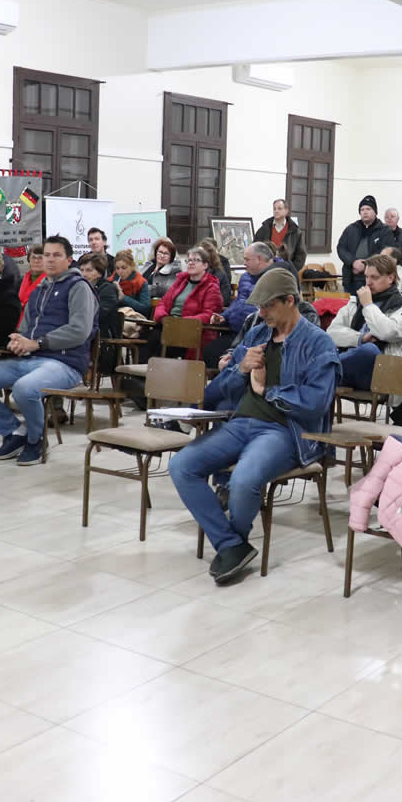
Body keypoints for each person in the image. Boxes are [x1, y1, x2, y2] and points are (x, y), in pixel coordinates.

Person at [169, 267, 340, 585]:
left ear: (290, 301)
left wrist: (267, 391)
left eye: (267, 306)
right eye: (258, 307)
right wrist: (239, 369)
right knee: (181, 465)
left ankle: (233, 543)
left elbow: (316, 403)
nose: (260, 313)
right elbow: (220, 391)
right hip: (242, 422)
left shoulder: (318, 344)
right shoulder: (258, 333)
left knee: (244, 480)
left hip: (286, 430)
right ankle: (231, 545)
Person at [0, 236, 98, 466]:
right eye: (46, 255)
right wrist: (18, 339)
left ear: (69, 260)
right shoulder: (39, 289)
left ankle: (36, 439)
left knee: (24, 389)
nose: (49, 260)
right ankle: (14, 432)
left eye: (56, 255)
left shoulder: (79, 287)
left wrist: (38, 343)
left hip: (66, 364)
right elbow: (25, 327)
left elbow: (79, 331)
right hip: (30, 359)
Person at [327, 253, 402, 396]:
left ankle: (319, 370)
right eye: (366, 276)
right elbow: (331, 333)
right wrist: (360, 337)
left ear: (391, 278)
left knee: (369, 350)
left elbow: (386, 332)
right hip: (350, 367)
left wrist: (368, 305)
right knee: (320, 346)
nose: (368, 282)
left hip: (385, 374)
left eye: (374, 277)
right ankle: (322, 370)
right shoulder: (355, 303)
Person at [205, 242, 279, 367]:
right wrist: (224, 316)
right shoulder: (246, 277)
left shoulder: (277, 277)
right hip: (235, 332)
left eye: (247, 259)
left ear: (259, 259)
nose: (244, 263)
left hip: (257, 335)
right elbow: (238, 302)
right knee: (209, 351)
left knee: (217, 354)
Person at [147, 246, 224, 361]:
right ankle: (143, 376)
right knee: (150, 338)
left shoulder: (211, 287)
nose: (191, 263)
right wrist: (163, 317)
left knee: (159, 342)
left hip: (191, 331)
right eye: (189, 260)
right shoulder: (181, 281)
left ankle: (153, 375)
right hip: (169, 324)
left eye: (196, 260)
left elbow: (209, 314)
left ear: (205, 265)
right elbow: (163, 303)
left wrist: (183, 322)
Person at [336, 195, 392, 292]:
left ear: (375, 212)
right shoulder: (351, 229)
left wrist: (365, 264)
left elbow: (385, 251)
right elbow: (341, 248)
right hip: (351, 278)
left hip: (374, 280)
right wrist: (353, 262)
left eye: (368, 209)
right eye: (362, 209)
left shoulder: (384, 230)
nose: (365, 212)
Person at [78, 252, 121, 372]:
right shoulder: (78, 288)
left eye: (88, 270)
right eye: (81, 270)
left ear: (99, 273)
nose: (84, 274)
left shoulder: (108, 289)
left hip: (102, 339)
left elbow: (98, 315)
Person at [254, 198, 305, 269]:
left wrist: (292, 270)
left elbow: (301, 255)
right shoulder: (264, 229)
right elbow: (255, 249)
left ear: (286, 211)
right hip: (266, 270)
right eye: (274, 209)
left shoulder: (295, 231)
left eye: (279, 208)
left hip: (286, 270)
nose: (276, 211)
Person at [111, 249, 152, 318]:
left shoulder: (140, 282)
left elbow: (145, 309)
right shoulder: (111, 281)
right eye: (117, 268)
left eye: (124, 268)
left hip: (134, 318)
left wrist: (124, 298)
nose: (120, 271)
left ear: (132, 266)